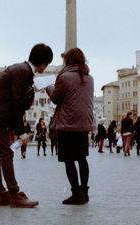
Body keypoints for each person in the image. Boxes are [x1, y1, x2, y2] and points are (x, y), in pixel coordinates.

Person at [0, 43, 53, 208]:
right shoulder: (23, 72)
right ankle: (13, 194)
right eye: (46, 64)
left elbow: (15, 99)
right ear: (44, 63)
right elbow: (16, 102)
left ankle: (0, 194)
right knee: (5, 153)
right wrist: (21, 132)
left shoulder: (22, 70)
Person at [45, 47, 94, 205]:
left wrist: (48, 85)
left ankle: (76, 194)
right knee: (82, 158)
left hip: (68, 123)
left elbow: (55, 97)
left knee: (68, 159)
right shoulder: (90, 78)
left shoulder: (65, 77)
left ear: (68, 60)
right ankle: (85, 193)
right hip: (84, 123)